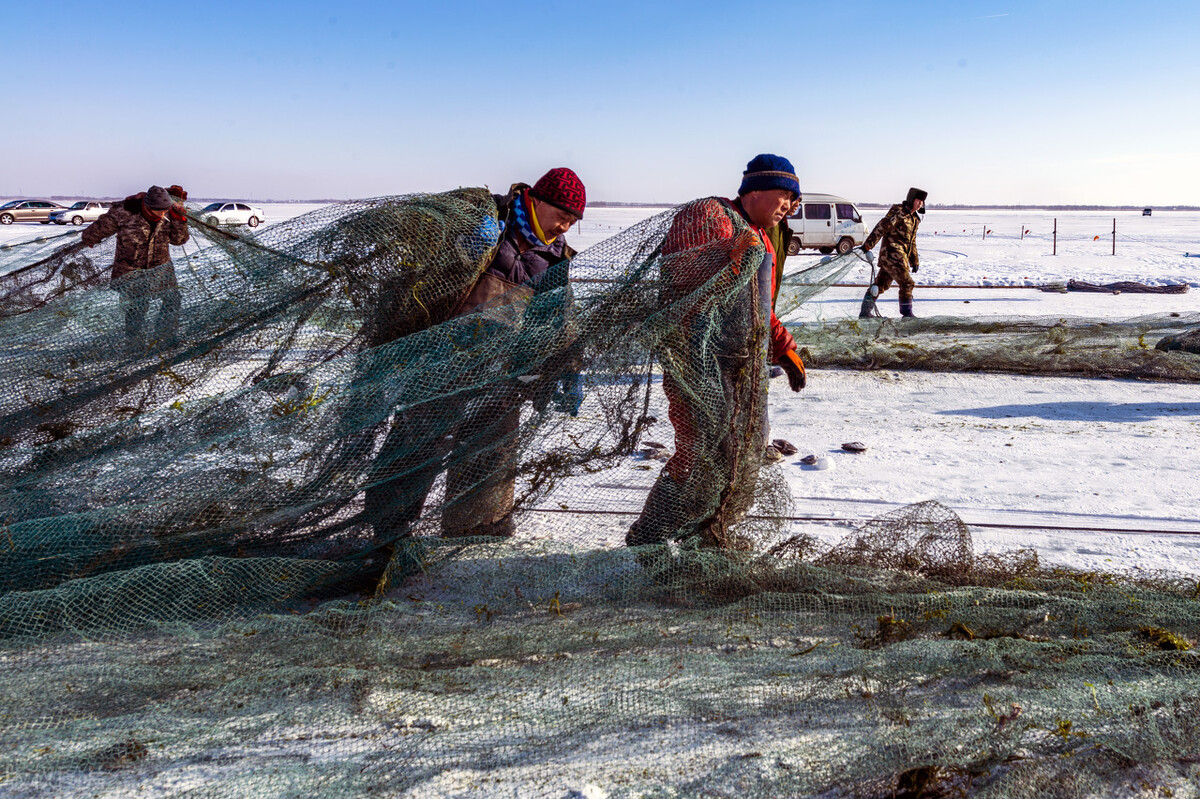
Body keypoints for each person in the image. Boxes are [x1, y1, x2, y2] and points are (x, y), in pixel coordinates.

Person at [364, 168, 586, 557]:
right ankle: (386, 532)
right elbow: (424, 263)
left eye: (574, 219)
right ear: (536, 199)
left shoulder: (556, 256)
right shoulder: (488, 218)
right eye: (563, 213)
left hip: (500, 368)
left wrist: (569, 366)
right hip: (441, 358)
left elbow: (559, 317)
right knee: (418, 445)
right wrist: (464, 247)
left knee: (490, 446)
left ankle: (476, 532)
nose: (566, 224)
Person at [626, 154, 806, 551]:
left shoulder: (758, 236)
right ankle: (649, 540)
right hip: (698, 361)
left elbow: (759, 309)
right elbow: (681, 273)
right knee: (702, 452)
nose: (790, 206)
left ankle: (712, 536)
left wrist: (784, 347)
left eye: (794, 200)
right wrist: (727, 255)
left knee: (743, 452)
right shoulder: (710, 215)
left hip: (743, 366)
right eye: (785, 195)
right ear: (755, 191)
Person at [82, 184, 190, 350]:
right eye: (158, 211)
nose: (162, 215)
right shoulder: (124, 212)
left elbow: (179, 240)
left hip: (161, 270)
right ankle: (134, 344)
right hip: (131, 271)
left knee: (172, 300)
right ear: (147, 206)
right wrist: (90, 239)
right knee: (136, 308)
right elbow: (97, 230)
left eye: (165, 211)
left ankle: (166, 337)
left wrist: (179, 219)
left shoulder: (169, 214)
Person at [859, 187, 926, 319]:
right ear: (912, 199)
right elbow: (882, 227)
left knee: (881, 284)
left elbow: (912, 242)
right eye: (918, 200)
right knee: (907, 283)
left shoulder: (914, 219)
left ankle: (865, 313)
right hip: (891, 255)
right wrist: (868, 245)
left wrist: (914, 260)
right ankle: (907, 314)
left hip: (900, 258)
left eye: (922, 202)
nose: (920, 204)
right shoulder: (898, 211)